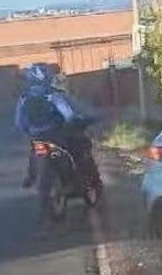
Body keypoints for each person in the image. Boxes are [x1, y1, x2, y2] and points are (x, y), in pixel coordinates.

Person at [14, 63, 102, 192]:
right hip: (56, 134)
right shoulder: (53, 94)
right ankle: (80, 181)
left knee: (34, 152)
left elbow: (19, 122)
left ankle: (31, 177)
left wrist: (27, 131)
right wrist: (79, 120)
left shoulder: (24, 97)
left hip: (36, 136)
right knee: (77, 150)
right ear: (49, 78)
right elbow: (69, 115)